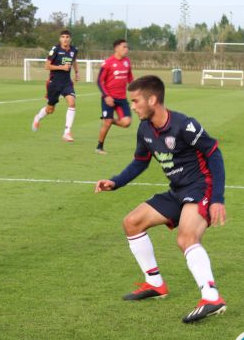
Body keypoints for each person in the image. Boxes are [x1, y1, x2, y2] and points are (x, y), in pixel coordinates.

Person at [95, 75, 227, 323]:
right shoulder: (145, 129)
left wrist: (217, 197)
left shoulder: (184, 126)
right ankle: (155, 283)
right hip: (177, 190)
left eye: (135, 101)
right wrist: (117, 181)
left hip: (201, 187)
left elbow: (214, 154)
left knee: (186, 237)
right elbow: (140, 162)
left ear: (152, 99)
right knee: (132, 222)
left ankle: (211, 297)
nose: (132, 106)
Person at [32, 30, 79, 142]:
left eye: (67, 37)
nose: (65, 39)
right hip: (54, 83)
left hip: (67, 82)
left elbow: (74, 61)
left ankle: (67, 132)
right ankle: (38, 117)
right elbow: (47, 66)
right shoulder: (55, 49)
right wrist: (62, 67)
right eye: (63, 37)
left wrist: (76, 72)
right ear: (60, 39)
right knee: (50, 109)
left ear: (70, 39)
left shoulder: (74, 50)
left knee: (72, 102)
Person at [96, 39, 134, 154]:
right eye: (124, 47)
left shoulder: (127, 62)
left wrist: (136, 95)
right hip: (108, 99)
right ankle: (99, 147)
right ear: (116, 48)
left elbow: (130, 79)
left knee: (127, 123)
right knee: (106, 123)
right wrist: (107, 96)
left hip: (122, 99)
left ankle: (110, 120)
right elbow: (99, 81)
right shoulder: (108, 63)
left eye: (127, 47)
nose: (126, 49)